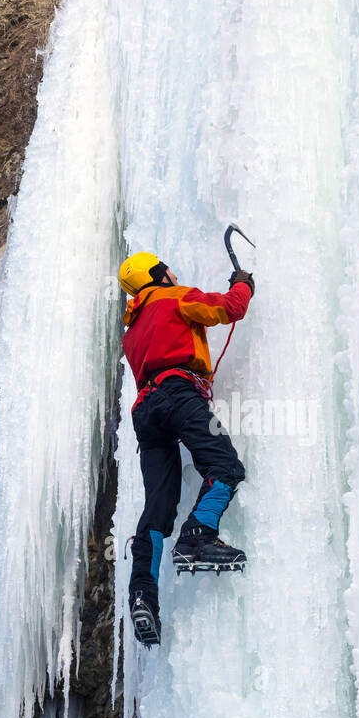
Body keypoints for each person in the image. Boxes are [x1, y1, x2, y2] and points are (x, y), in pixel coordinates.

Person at [119, 249, 254, 647]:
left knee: (157, 511)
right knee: (225, 468)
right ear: (158, 274)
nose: (171, 271)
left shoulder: (132, 331)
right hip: (179, 394)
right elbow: (229, 309)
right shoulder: (174, 296)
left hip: (146, 412)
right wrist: (243, 283)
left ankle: (142, 593)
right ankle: (198, 533)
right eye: (165, 269)